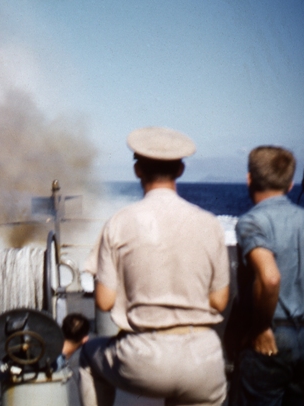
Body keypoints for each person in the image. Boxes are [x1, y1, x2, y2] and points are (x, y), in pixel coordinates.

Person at [79, 127, 230, 406]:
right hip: (203, 361)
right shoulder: (210, 224)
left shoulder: (119, 222)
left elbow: (104, 300)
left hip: (145, 359)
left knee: (88, 356)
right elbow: (220, 301)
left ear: (138, 170)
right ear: (181, 170)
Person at [231, 146, 304, 404]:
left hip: (274, 336)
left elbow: (270, 278)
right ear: (290, 185)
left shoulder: (252, 221)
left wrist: (261, 327)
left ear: (249, 179)